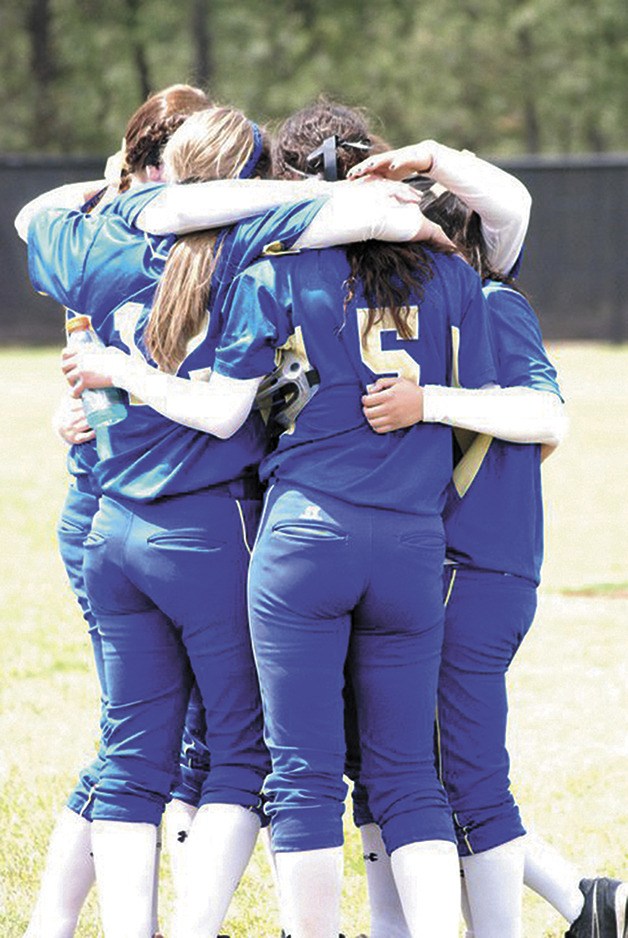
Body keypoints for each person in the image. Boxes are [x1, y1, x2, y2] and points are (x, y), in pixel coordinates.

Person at [356, 180, 625, 938]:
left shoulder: (490, 302)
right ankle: (584, 901)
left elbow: (546, 416)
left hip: (473, 575)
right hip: (459, 570)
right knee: (421, 772)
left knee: (462, 781)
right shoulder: (455, 309)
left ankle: (577, 907)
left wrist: (429, 403)